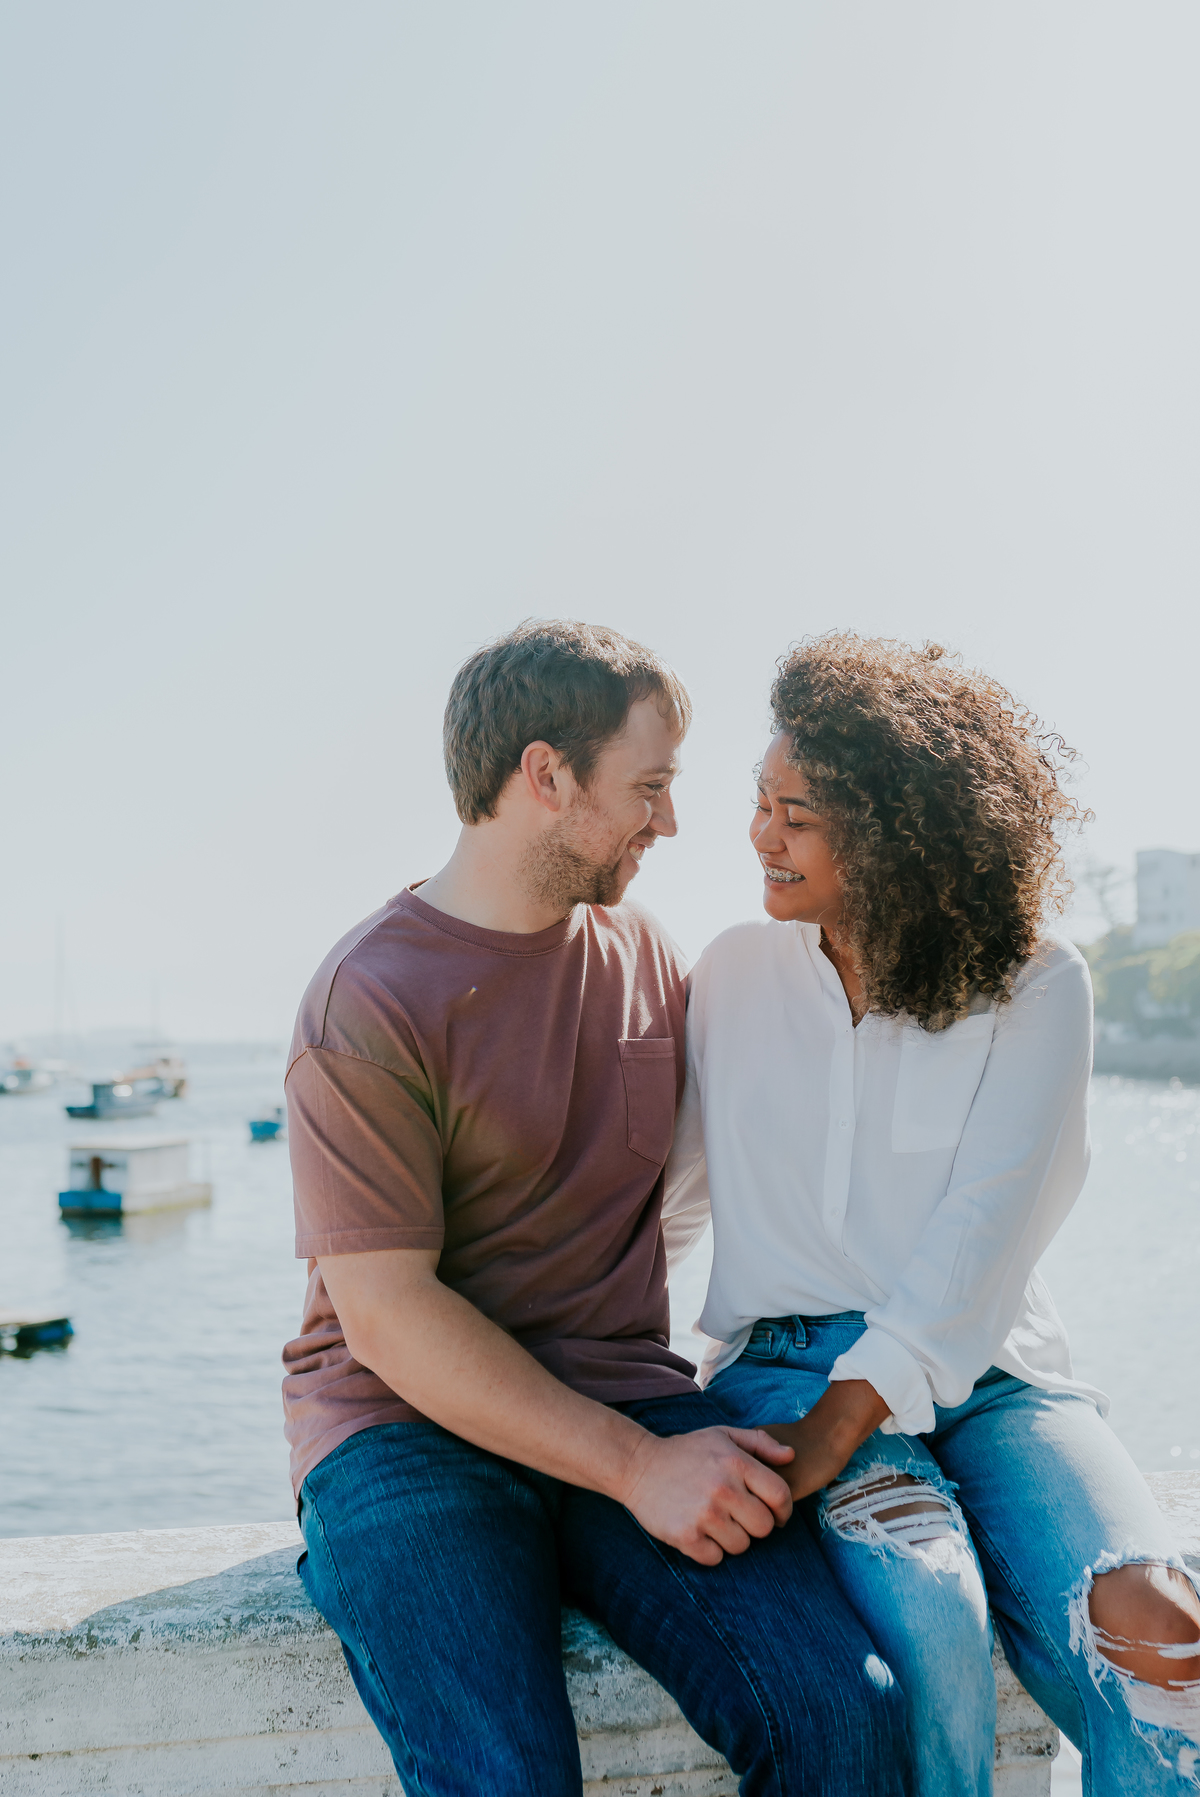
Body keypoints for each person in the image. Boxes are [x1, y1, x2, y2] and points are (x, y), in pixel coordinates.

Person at [281, 620, 911, 1797]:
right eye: (652, 786)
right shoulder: (367, 1000)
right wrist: (636, 1470)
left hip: (626, 1401)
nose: (672, 823)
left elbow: (683, 1200)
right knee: (502, 1777)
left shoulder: (649, 957)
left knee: (847, 1716)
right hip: (403, 1431)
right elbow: (386, 1315)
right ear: (546, 776)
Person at [664, 634, 1200, 1796]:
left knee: (1170, 1647)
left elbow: (985, 1238)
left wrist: (837, 1434)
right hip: (787, 1362)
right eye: (759, 803)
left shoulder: (1037, 980)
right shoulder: (730, 975)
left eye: (795, 812)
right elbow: (667, 1208)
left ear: (898, 827)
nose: (760, 834)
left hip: (996, 1375)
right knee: (933, 1611)